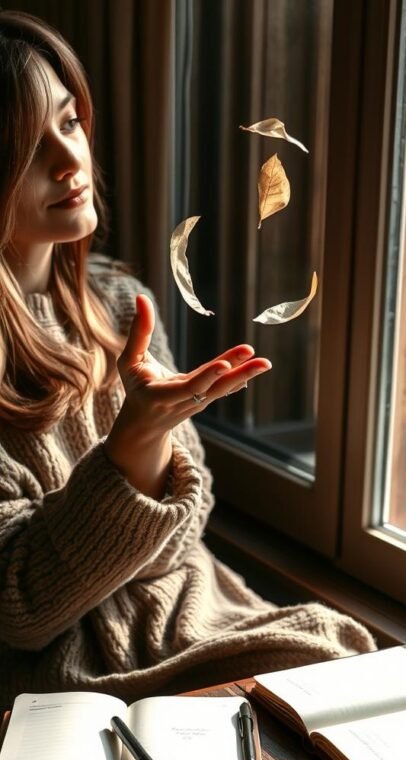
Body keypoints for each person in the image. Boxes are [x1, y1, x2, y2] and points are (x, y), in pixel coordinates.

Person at [0, 11, 376, 707]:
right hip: (65, 681)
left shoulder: (122, 304)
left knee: (343, 659)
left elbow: (183, 534)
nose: (69, 160)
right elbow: (21, 611)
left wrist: (138, 457)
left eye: (70, 122)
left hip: (196, 617)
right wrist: (134, 446)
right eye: (25, 145)